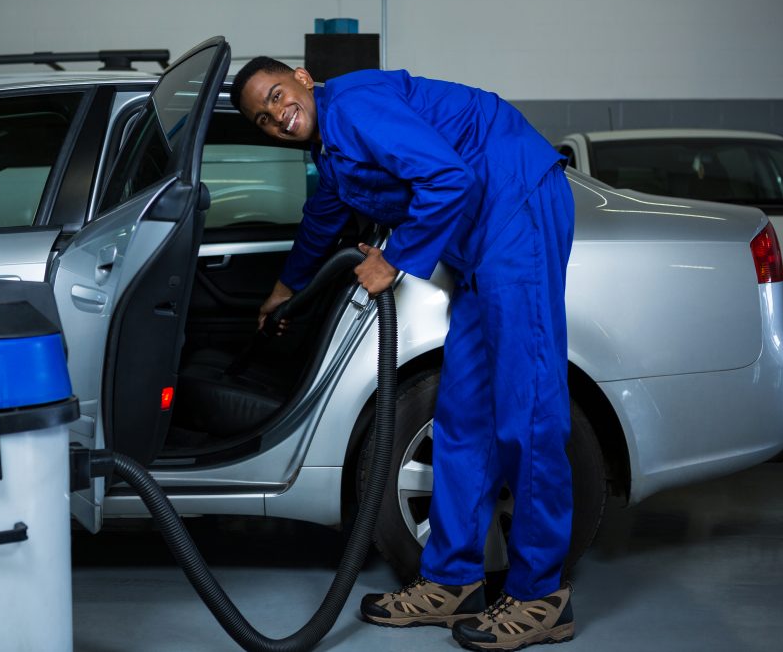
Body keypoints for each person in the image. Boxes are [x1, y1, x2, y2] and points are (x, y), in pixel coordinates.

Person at [230, 57, 576, 651]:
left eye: (278, 95)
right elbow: (325, 215)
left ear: (303, 77)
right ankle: (452, 581)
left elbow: (449, 178)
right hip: (477, 241)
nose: (278, 117)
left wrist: (391, 260)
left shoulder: (356, 108)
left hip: (516, 207)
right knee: (463, 417)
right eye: (263, 118)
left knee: (529, 412)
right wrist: (287, 287)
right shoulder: (331, 147)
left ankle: (542, 596)